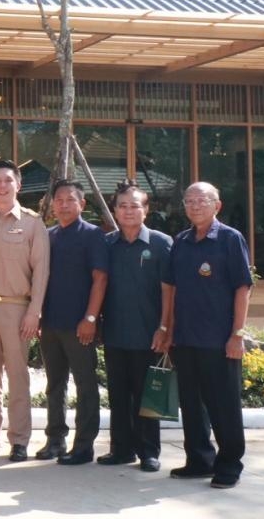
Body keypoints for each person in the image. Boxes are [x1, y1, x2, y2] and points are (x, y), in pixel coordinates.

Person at [160, 181, 253, 489]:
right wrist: (168, 330)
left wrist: (237, 334)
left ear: (217, 205)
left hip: (219, 340)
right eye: (189, 200)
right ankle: (200, 459)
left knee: (223, 405)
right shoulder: (182, 241)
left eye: (202, 200)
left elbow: (243, 287)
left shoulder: (229, 239)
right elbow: (171, 290)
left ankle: (229, 464)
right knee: (192, 403)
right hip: (185, 339)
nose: (195, 205)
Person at [0, 160, 49, 462]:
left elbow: (41, 271)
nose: (1, 186)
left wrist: (35, 311)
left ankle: (19, 439)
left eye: (7, 180)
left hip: (18, 309)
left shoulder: (32, 223)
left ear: (19, 185)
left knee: (18, 377)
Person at [101, 182, 172, 473]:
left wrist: (165, 327)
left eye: (135, 205)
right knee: (118, 395)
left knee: (148, 397)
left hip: (149, 334)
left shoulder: (161, 243)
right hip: (116, 332)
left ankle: (149, 452)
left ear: (146, 209)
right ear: (115, 210)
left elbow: (170, 290)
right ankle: (121, 449)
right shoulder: (107, 244)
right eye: (123, 206)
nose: (129, 211)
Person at [37, 180, 108, 465]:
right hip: (50, 323)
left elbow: (100, 279)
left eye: (70, 199)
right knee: (55, 384)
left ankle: (83, 445)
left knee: (85, 385)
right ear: (52, 205)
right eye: (59, 200)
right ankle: (55, 439)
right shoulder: (48, 236)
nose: (64, 204)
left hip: (80, 324)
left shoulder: (93, 236)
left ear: (82, 204)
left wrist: (90, 318)